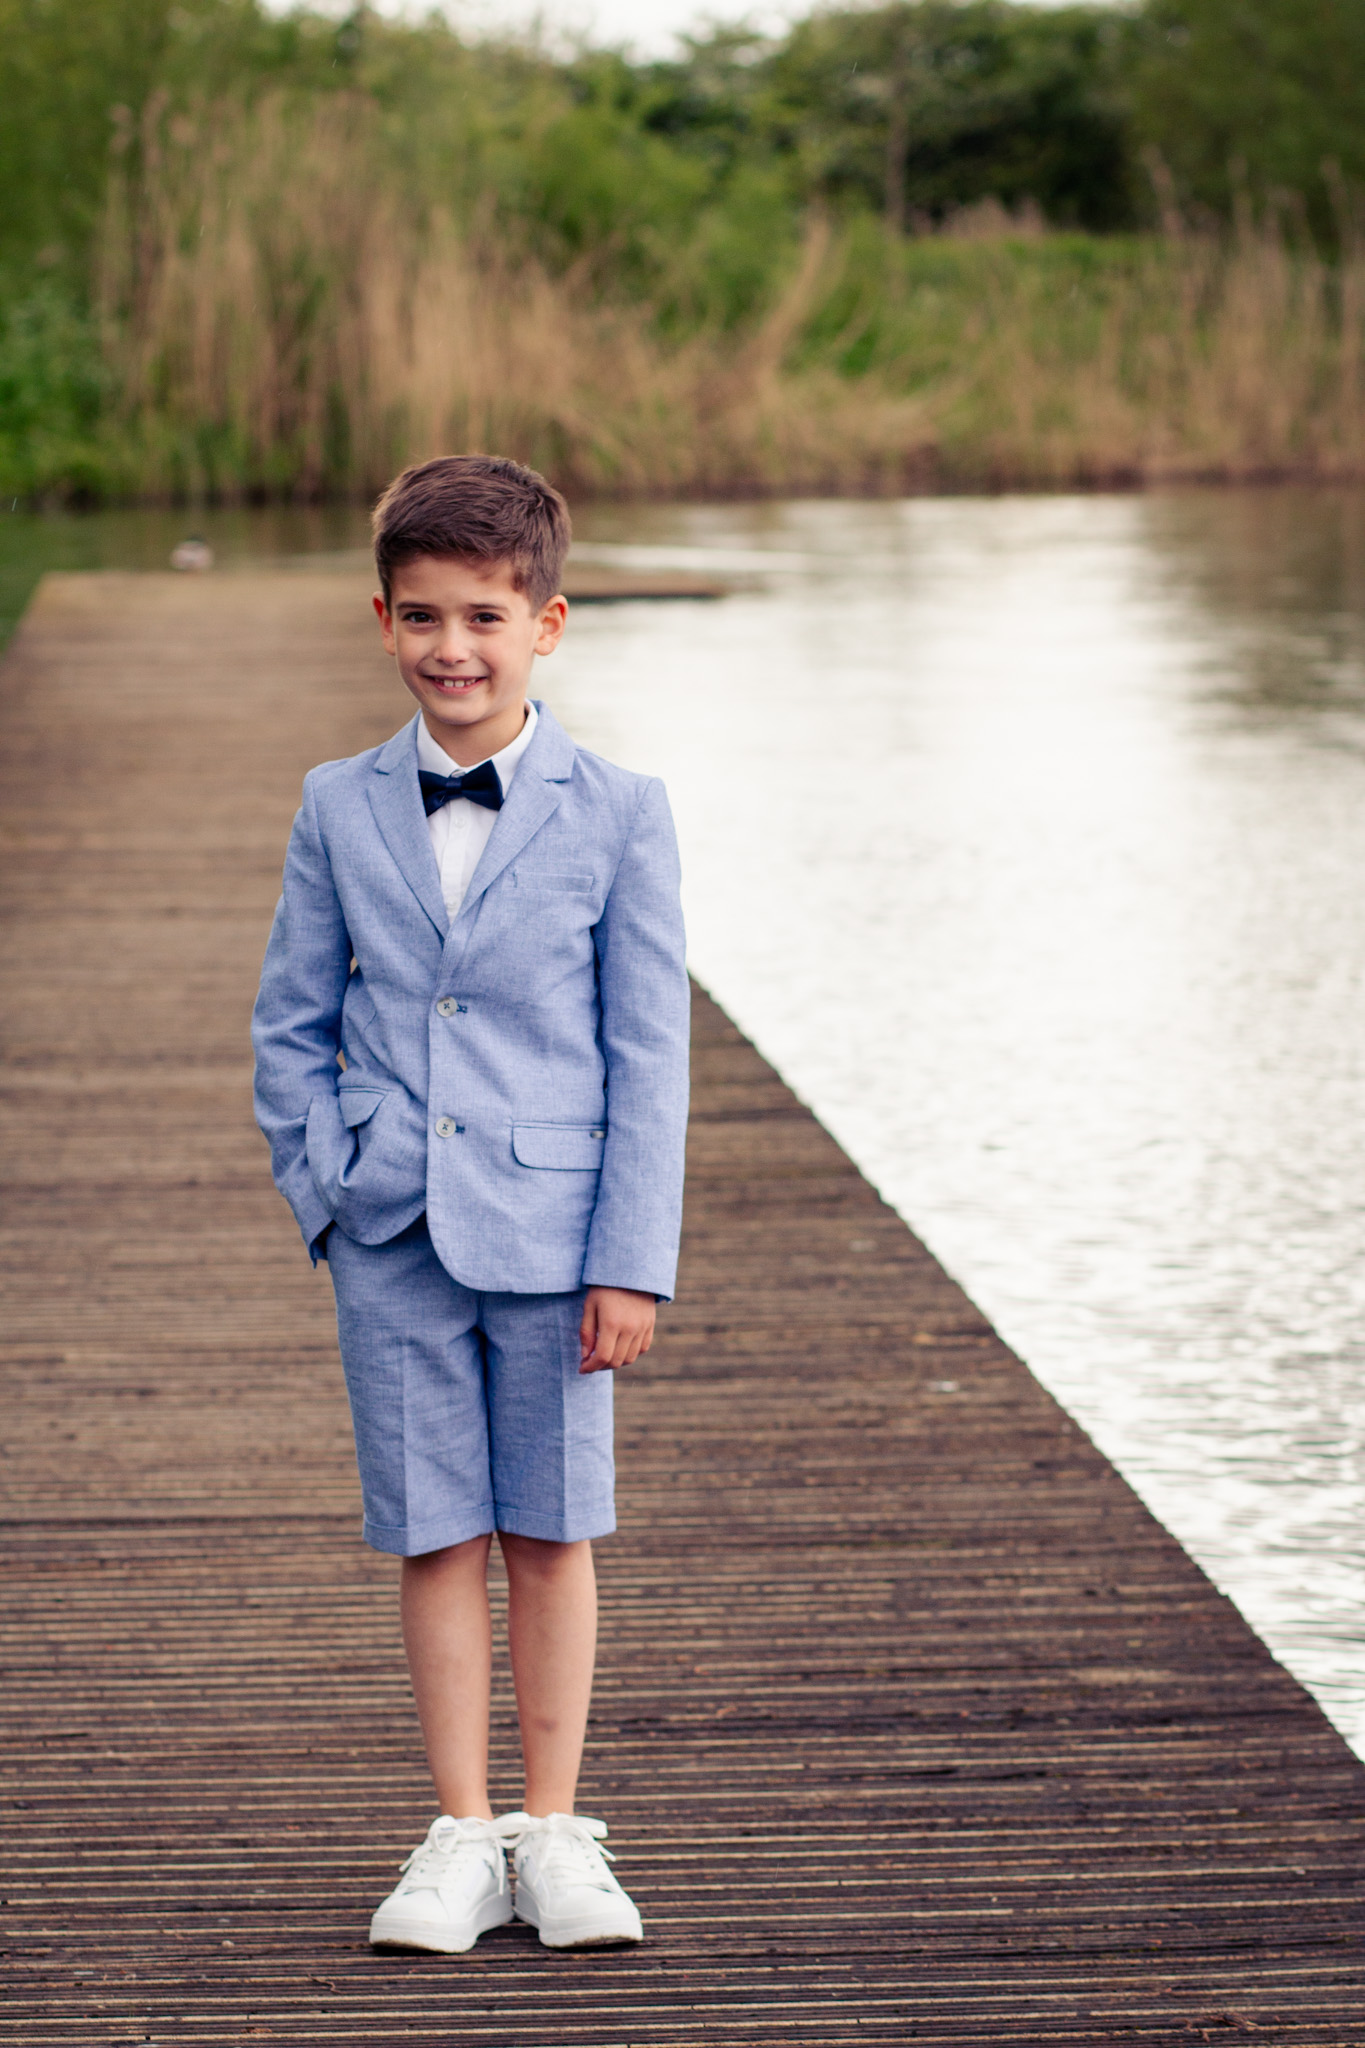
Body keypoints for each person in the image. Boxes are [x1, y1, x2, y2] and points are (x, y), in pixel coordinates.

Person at [251, 454, 689, 1953]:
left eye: (486, 618)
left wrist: (630, 1259)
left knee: (552, 1531)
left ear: (545, 624)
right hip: (389, 1226)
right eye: (424, 616)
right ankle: (458, 1832)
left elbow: (649, 1051)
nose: (454, 647)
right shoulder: (336, 802)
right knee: (432, 1532)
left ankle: (553, 1833)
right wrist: (327, 1189)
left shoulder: (620, 811)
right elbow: (289, 1023)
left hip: (559, 1238)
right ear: (383, 619)